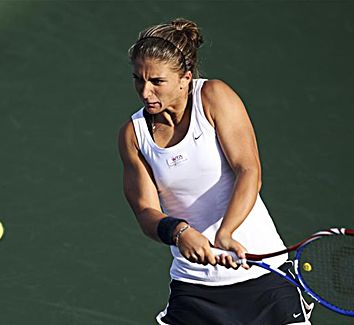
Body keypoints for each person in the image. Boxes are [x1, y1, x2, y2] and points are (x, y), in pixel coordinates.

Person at [118, 18, 313, 325]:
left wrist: (226, 232)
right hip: (195, 291)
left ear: (185, 77)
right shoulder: (134, 134)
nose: (145, 91)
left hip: (264, 280)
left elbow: (249, 170)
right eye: (138, 80)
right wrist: (179, 233)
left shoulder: (214, 97)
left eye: (157, 81)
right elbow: (145, 210)